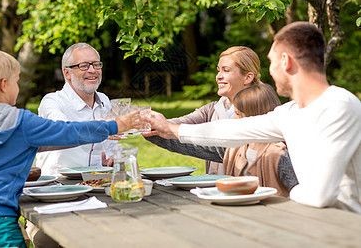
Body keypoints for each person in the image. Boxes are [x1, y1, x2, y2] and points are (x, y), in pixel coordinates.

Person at [143, 22, 361, 213]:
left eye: (271, 62)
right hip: (309, 220)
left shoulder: (338, 106)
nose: (270, 71)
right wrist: (170, 129)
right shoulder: (290, 113)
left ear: (285, 61)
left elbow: (320, 196)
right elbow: (232, 130)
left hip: (345, 226)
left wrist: (278, 192)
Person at [0, 48, 140, 248]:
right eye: (17, 81)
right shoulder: (21, 122)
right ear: (4, 85)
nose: (19, 87)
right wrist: (115, 125)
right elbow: (69, 132)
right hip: (0, 217)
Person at [145, 46, 261, 174]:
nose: (218, 77)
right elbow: (176, 124)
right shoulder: (212, 110)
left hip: (249, 191)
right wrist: (145, 123)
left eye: (226, 70)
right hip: (213, 190)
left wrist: (165, 129)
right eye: (218, 71)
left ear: (247, 77)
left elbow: (224, 150)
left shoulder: (260, 113)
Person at [36, 43, 119, 175]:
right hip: (59, 187)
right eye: (84, 66)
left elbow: (112, 144)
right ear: (67, 73)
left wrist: (115, 158)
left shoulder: (104, 100)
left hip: (98, 182)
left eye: (96, 64)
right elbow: (65, 131)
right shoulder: (52, 102)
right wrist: (101, 128)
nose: (92, 70)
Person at [225, 83, 297, 197]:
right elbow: (202, 149)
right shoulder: (237, 148)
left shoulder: (277, 154)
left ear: (253, 117)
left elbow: (298, 190)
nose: (233, 119)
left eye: (238, 114)